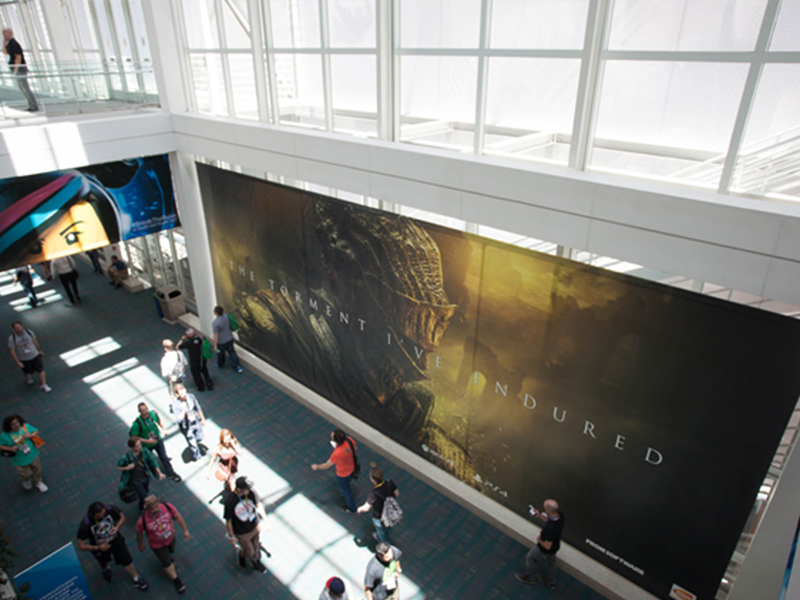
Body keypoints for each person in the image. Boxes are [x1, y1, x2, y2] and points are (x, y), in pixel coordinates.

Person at [77, 501, 149, 590]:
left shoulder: (109, 509)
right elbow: (81, 545)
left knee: (126, 559)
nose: (103, 516)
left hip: (116, 540)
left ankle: (136, 577)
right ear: (94, 514)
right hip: (100, 547)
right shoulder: (86, 525)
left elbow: (122, 517)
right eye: (100, 515)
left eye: (104, 513)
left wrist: (117, 527)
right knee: (103, 561)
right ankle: (106, 568)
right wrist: (98, 548)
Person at [136, 494, 190, 594]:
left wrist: (185, 530)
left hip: (170, 537)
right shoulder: (143, 520)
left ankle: (169, 559)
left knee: (171, 551)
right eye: (152, 509)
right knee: (166, 562)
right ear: (147, 509)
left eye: (156, 506)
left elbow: (178, 516)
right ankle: (177, 581)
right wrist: (140, 544)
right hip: (157, 545)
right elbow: (139, 534)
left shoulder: (167, 507)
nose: (156, 509)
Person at [514, 499, 564, 589]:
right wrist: (540, 516)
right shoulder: (560, 517)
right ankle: (551, 582)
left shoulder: (550, 529)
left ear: (549, 510)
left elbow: (547, 546)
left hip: (544, 548)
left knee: (531, 557)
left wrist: (539, 540)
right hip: (556, 546)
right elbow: (549, 520)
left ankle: (530, 577)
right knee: (551, 562)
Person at [224, 476, 268, 574]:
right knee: (249, 551)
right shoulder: (230, 501)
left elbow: (258, 505)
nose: (249, 489)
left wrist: (265, 520)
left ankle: (255, 561)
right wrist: (232, 537)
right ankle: (241, 554)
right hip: (242, 532)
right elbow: (228, 521)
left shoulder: (251, 493)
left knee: (256, 545)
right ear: (239, 490)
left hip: (254, 525)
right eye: (246, 488)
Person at [129, 402, 181, 482]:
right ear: (140, 412)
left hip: (157, 440)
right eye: (143, 410)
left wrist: (164, 429)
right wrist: (148, 441)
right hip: (146, 445)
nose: (145, 412)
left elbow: (158, 420)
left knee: (164, 457)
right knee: (148, 459)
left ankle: (170, 473)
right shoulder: (137, 424)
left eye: (146, 409)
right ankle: (150, 469)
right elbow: (134, 437)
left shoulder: (152, 414)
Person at [311, 429, 358, 513]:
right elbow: (355, 448)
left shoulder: (337, 453)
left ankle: (352, 507)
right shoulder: (349, 440)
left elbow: (327, 465)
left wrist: (317, 466)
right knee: (347, 482)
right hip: (351, 467)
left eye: (332, 436)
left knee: (345, 489)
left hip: (342, 473)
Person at [0, 414, 48, 492]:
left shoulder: (25, 427)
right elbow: (1, 445)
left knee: (37, 469)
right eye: (13, 424)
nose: (16, 425)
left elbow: (35, 431)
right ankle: (26, 480)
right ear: (9, 426)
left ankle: (38, 482)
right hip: (20, 459)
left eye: (17, 422)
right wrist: (10, 449)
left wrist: (31, 435)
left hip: (32, 454)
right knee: (26, 474)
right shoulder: (5, 435)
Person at [117, 437, 166, 510]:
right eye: (137, 446)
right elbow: (119, 467)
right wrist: (127, 468)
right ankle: (146, 510)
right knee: (145, 497)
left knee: (144, 493)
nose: (140, 447)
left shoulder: (144, 452)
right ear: (131, 447)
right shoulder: (126, 457)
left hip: (145, 477)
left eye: (140, 444)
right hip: (135, 481)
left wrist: (159, 473)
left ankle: (141, 506)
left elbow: (153, 461)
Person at [357, 468, 399, 543]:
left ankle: (387, 548)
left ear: (373, 480)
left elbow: (366, 508)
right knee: (386, 525)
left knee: (382, 533)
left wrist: (359, 509)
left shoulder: (374, 493)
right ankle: (380, 535)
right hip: (390, 511)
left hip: (379, 516)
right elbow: (397, 494)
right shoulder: (389, 482)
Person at [8, 321, 51, 392]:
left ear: (22, 326)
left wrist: (39, 350)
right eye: (16, 328)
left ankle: (44, 384)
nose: (18, 329)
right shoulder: (12, 338)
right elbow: (12, 350)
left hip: (35, 355)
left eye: (19, 327)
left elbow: (34, 341)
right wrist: (18, 362)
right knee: (27, 370)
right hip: (24, 358)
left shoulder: (29, 332)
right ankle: (28, 377)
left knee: (40, 370)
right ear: (14, 329)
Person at [2, 28, 38, 112]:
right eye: (3, 35)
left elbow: (18, 57)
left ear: (10, 34)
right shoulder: (9, 44)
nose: (5, 36)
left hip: (20, 69)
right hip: (16, 69)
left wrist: (16, 69)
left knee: (25, 88)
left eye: (6, 35)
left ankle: (33, 105)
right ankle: (31, 104)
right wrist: (3, 44)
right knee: (22, 88)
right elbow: (5, 52)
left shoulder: (14, 44)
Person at [171, 383, 206, 461]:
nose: (184, 395)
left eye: (184, 391)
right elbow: (178, 419)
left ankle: (196, 443)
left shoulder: (191, 397)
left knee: (200, 437)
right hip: (187, 426)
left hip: (195, 421)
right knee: (192, 442)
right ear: (177, 395)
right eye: (181, 393)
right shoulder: (176, 405)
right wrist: (183, 410)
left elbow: (197, 407)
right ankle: (196, 455)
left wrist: (202, 418)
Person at [212, 305, 243, 373]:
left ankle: (220, 364)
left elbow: (216, 335)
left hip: (221, 342)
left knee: (221, 354)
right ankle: (238, 366)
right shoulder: (226, 316)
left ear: (216, 313)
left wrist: (215, 345)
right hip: (229, 339)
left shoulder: (215, 323)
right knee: (232, 352)